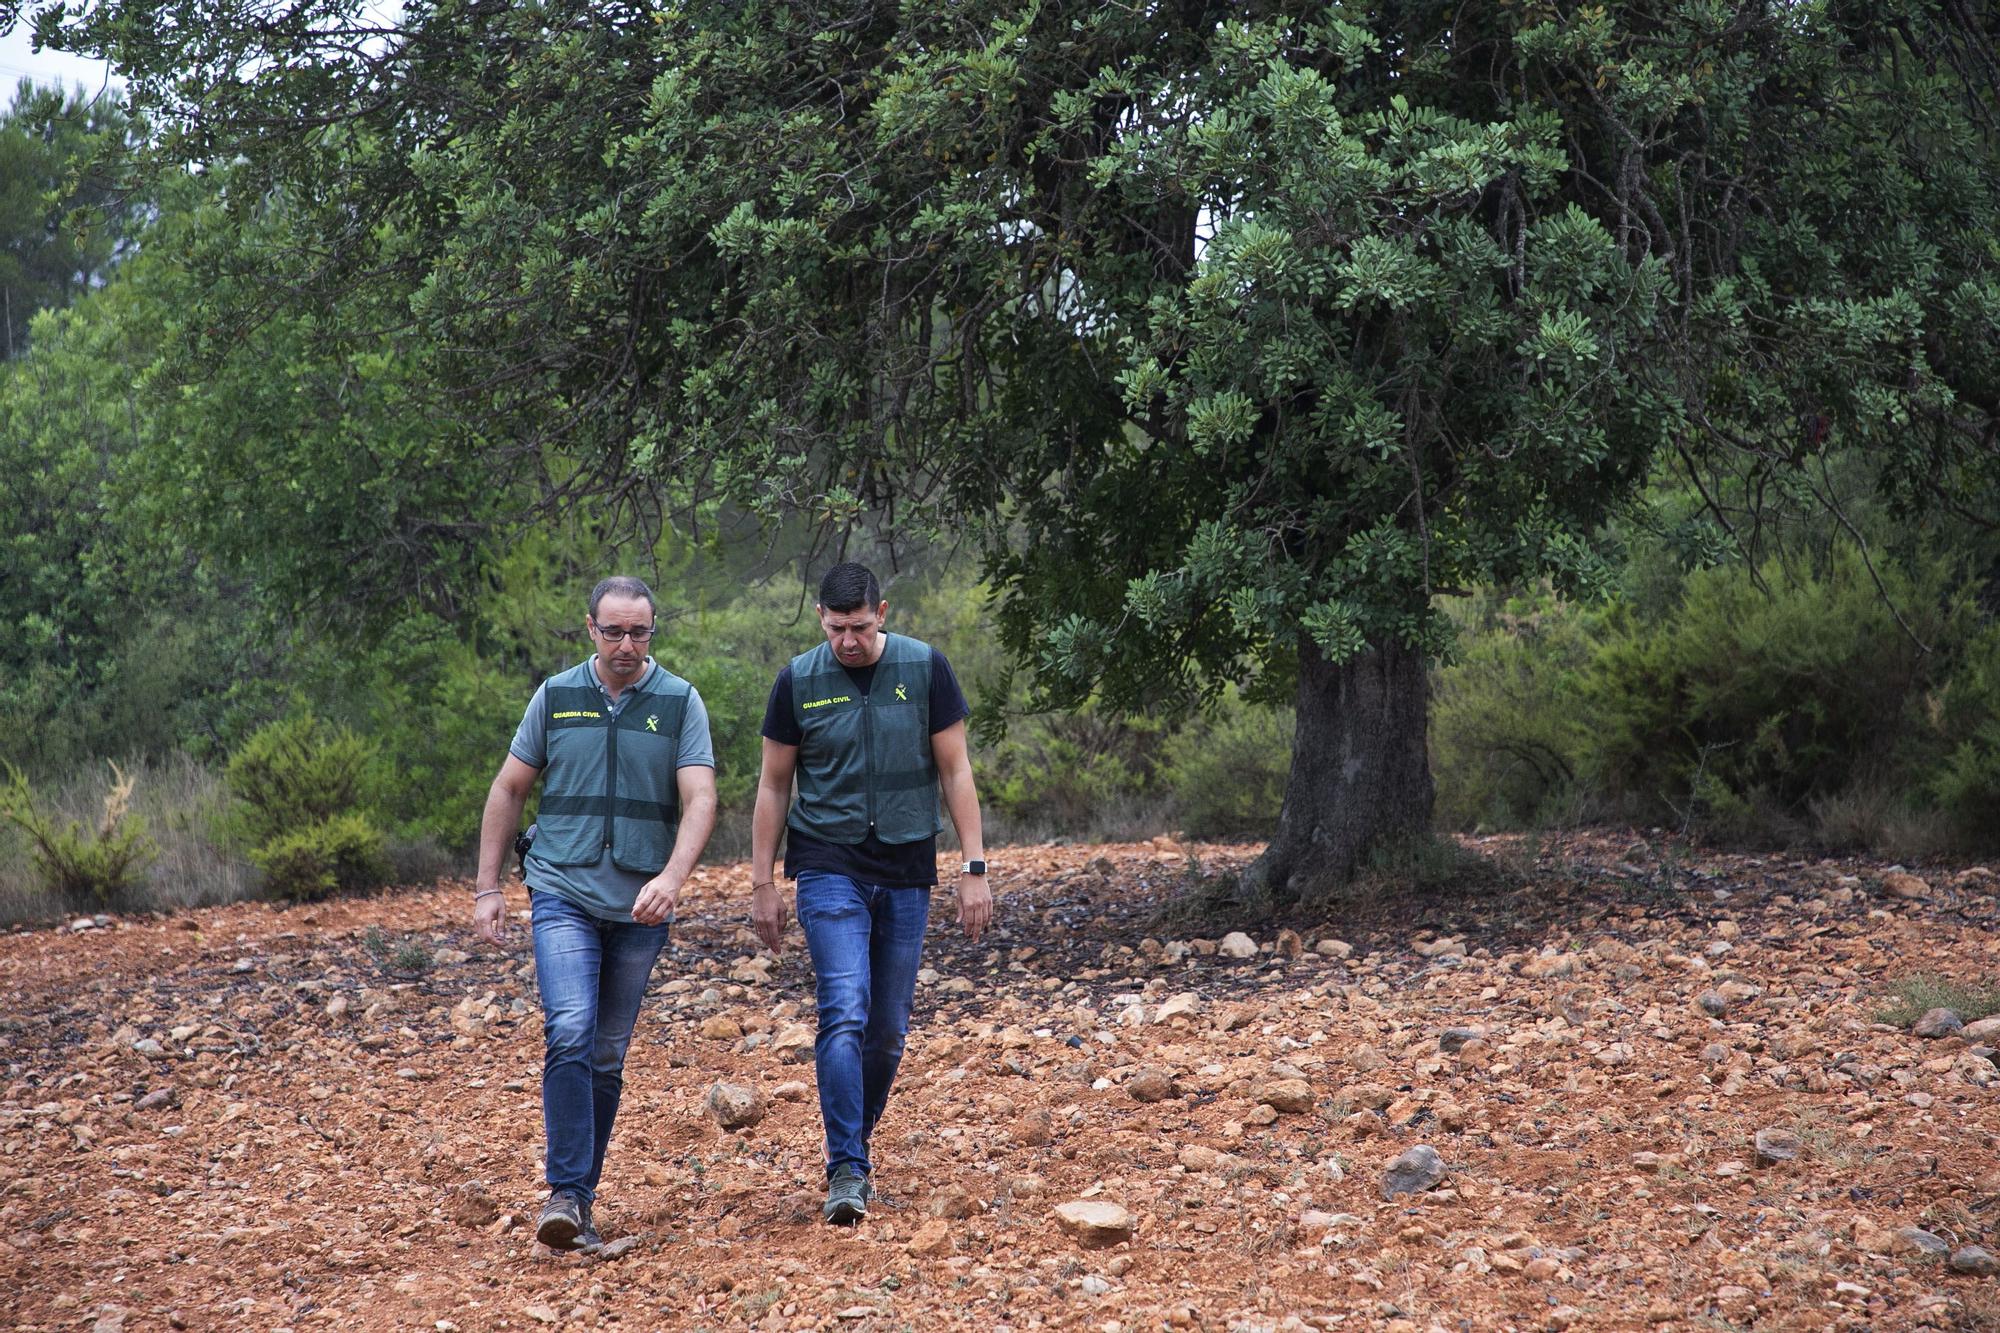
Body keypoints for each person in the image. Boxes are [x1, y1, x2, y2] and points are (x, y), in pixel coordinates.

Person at [473, 575, 717, 1252]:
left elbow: (700, 797)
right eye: (613, 630)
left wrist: (672, 876)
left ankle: (578, 1199)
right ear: (590, 628)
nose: (626, 644)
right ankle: (564, 1191)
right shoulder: (556, 696)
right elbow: (510, 786)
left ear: (652, 632)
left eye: (639, 631)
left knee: (606, 1054)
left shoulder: (679, 701)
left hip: (642, 905)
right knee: (572, 1028)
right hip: (562, 890)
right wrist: (487, 886)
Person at [749, 561, 994, 1225]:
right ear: (821, 620)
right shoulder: (798, 680)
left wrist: (975, 866)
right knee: (845, 1009)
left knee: (887, 1031)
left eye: (859, 627)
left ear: (882, 611)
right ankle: (846, 1167)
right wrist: (762, 879)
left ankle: (854, 1138)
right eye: (836, 629)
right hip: (828, 862)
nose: (849, 641)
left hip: (908, 865)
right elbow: (773, 785)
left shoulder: (925, 668)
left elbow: (956, 767)